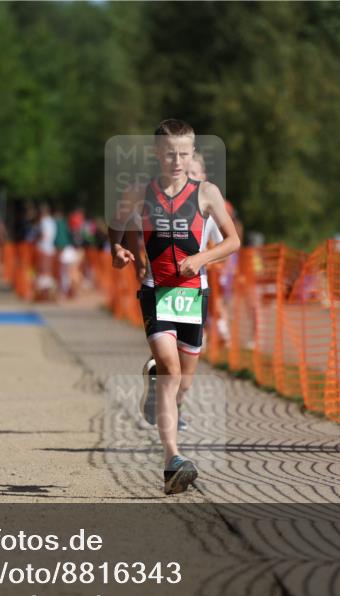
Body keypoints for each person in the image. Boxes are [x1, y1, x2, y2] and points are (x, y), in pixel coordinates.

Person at [111, 119, 240, 495]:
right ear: (157, 154)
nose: (177, 161)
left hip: (193, 295)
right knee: (169, 369)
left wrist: (201, 259)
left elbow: (232, 242)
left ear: (193, 151)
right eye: (170, 154)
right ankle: (172, 460)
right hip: (156, 289)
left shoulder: (207, 193)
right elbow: (116, 223)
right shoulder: (139, 192)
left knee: (182, 385)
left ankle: (156, 392)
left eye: (184, 153)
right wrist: (116, 249)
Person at [140, 150, 234, 432]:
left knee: (187, 378)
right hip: (162, 287)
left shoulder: (207, 204)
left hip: (195, 291)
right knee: (171, 362)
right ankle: (162, 395)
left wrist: (201, 259)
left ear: (203, 178)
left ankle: (174, 402)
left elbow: (226, 246)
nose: (187, 178)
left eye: (194, 174)